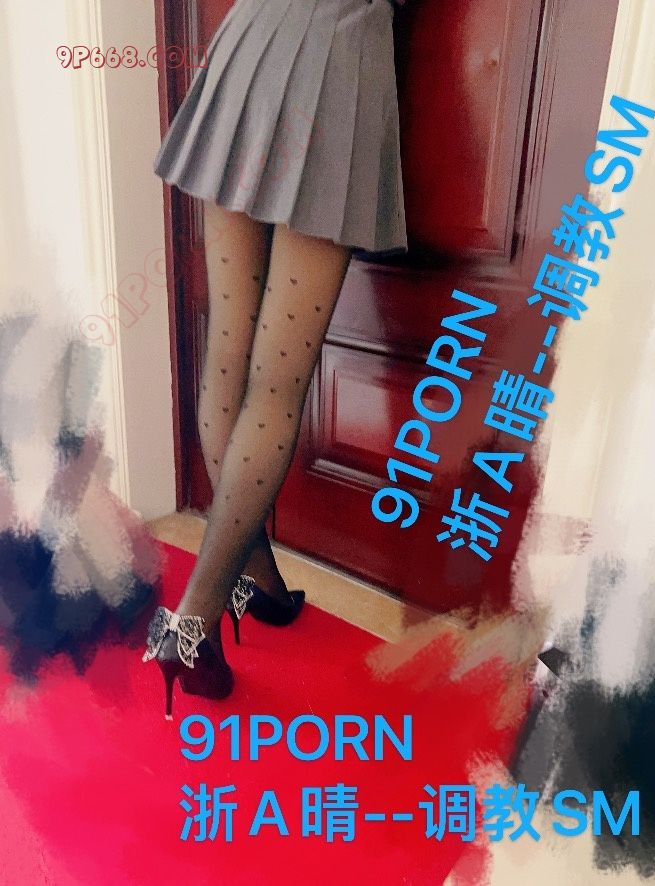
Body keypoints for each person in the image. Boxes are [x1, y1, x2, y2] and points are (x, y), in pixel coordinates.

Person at [143, 0, 407, 718]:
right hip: (339, 60)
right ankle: (193, 624)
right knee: (277, 381)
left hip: (249, 42)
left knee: (230, 341)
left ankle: (256, 579)